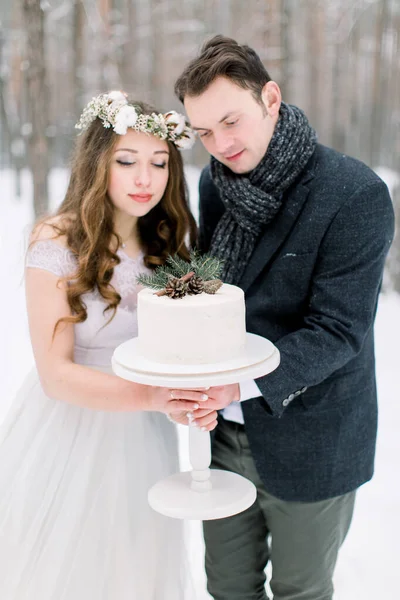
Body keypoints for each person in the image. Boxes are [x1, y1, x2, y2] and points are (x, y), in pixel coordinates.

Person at [172, 35, 395, 600]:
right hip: (222, 438)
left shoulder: (354, 194)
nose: (220, 144)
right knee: (227, 586)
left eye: (231, 121)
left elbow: (339, 331)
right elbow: (217, 294)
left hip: (312, 436)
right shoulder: (213, 185)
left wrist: (237, 384)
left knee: (300, 590)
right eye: (203, 133)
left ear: (270, 97)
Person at [0, 91, 217, 600]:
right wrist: (150, 397)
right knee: (68, 570)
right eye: (127, 161)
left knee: (136, 569)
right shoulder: (55, 243)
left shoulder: (170, 246)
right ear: (99, 163)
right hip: (72, 431)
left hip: (146, 438)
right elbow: (55, 375)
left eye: (159, 163)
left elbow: (179, 350)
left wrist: (191, 397)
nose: (146, 179)